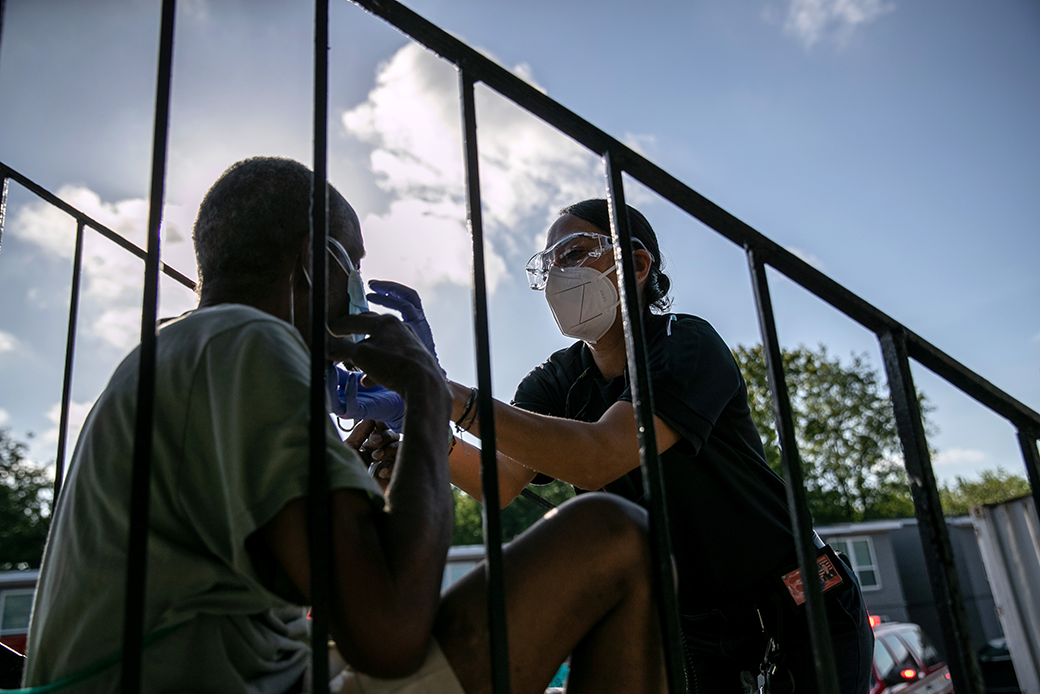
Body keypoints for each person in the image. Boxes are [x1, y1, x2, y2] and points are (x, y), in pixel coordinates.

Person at [21, 160, 665, 694]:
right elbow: (389, 629)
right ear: (313, 261)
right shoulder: (250, 344)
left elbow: (317, 580)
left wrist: (372, 474)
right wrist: (421, 391)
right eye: (353, 265)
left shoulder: (176, 351)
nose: (360, 288)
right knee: (612, 534)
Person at [361, 199, 874, 694]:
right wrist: (419, 427)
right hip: (696, 624)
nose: (557, 276)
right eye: (547, 265)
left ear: (636, 263)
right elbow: (499, 482)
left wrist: (443, 393)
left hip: (799, 601)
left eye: (573, 253)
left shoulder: (684, 343)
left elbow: (600, 454)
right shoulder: (557, 380)